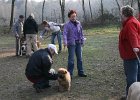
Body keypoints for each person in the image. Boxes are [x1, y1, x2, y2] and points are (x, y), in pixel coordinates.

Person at [119, 5, 140, 100]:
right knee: (137, 74)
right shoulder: (134, 21)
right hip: (133, 54)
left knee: (131, 76)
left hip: (130, 55)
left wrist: (135, 46)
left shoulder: (130, 23)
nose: (121, 15)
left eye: (121, 13)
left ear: (124, 14)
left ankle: (130, 96)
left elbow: (133, 35)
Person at [63, 10, 87, 77]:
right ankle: (69, 74)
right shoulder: (67, 25)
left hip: (78, 43)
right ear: (69, 17)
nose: (74, 18)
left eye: (75, 16)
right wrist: (65, 42)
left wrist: (82, 41)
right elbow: (64, 33)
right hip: (71, 44)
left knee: (80, 58)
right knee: (71, 60)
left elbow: (81, 33)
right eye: (72, 16)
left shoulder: (78, 23)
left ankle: (81, 72)